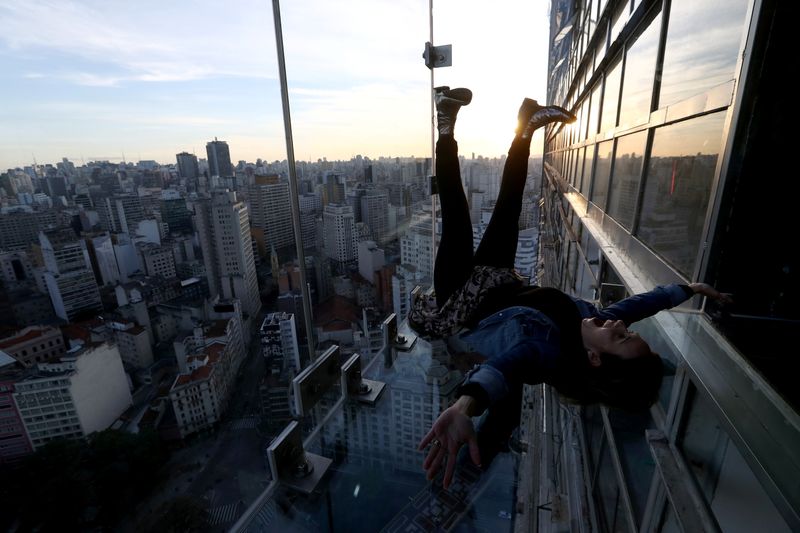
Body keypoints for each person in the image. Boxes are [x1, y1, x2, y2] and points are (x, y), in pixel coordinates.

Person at [412, 87, 733, 489]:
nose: (619, 325)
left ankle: (445, 121)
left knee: (456, 213)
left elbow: (501, 372)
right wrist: (691, 289)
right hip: (496, 279)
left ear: (595, 359)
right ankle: (525, 127)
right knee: (510, 204)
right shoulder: (600, 322)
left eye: (620, 338)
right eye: (629, 333)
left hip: (460, 299)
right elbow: (643, 304)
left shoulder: (546, 352)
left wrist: (465, 404)